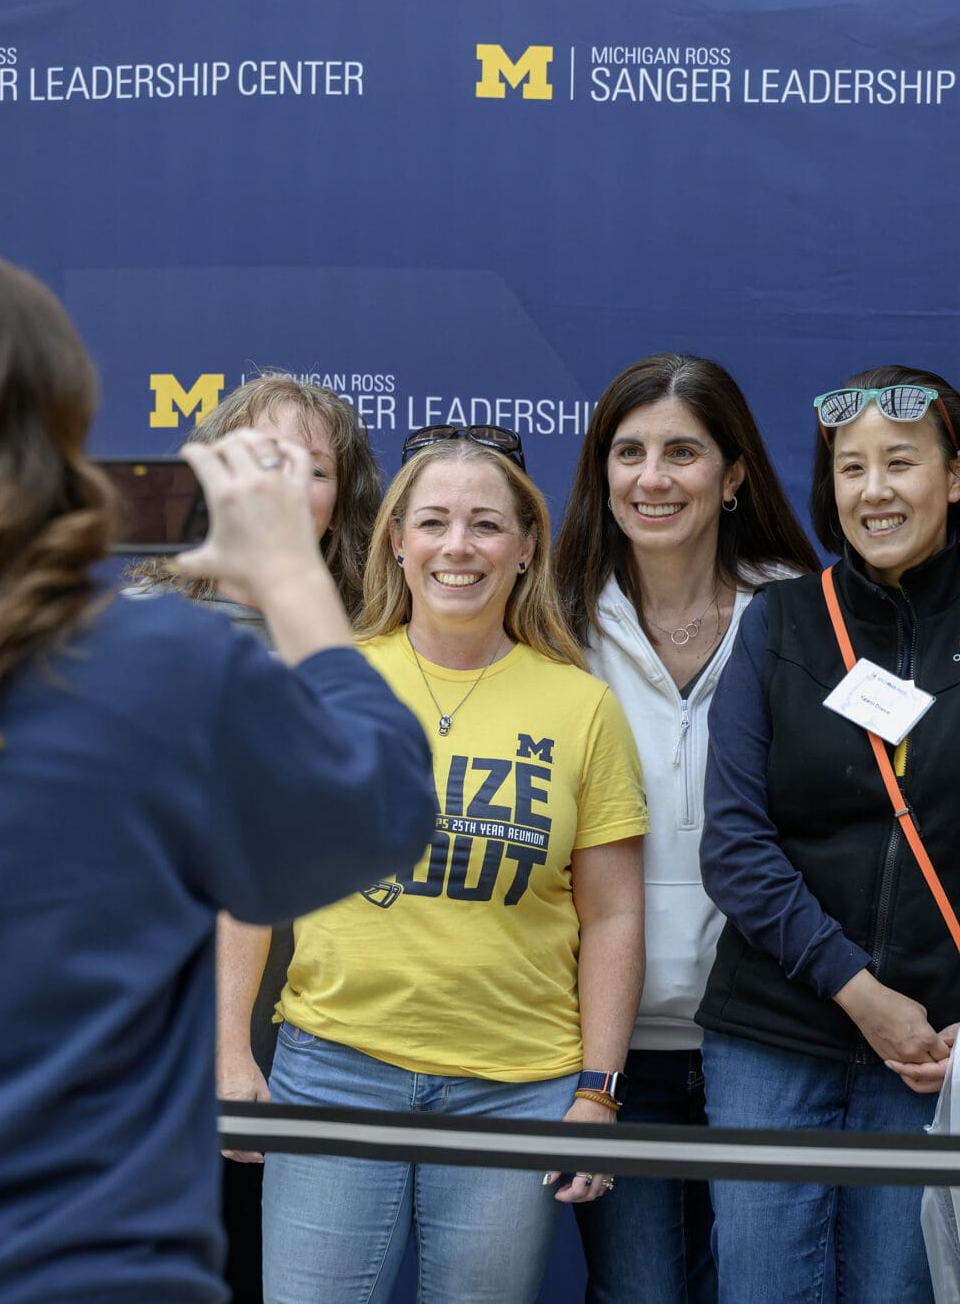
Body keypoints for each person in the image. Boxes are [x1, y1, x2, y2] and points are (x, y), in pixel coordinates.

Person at [0, 252, 435, 1302]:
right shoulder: (165, 667)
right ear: (65, 441)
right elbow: (384, 804)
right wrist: (286, 580)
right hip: (96, 1265)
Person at [698, 367, 960, 1302]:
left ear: (957, 475)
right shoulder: (782, 620)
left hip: (935, 1049)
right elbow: (736, 846)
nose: (873, 491)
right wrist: (856, 988)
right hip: (774, 1033)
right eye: (851, 468)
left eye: (900, 463)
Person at [255, 424, 649, 1304]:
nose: (457, 546)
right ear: (396, 541)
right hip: (335, 1070)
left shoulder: (581, 706)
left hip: (516, 1089)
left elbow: (615, 914)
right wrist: (226, 1057)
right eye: (432, 521)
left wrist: (599, 1091)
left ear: (525, 547)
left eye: (485, 524)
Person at [554, 354, 819, 1303]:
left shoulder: (803, 613)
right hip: (607, 1044)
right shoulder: (554, 617)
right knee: (638, 1293)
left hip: (769, 1031)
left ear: (734, 472)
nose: (652, 477)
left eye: (682, 452)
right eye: (628, 452)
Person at [135, 372, 385, 1299]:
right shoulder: (134, 635)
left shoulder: (367, 655)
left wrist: (244, 1054)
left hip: (309, 1055)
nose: (287, 485)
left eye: (314, 468)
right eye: (264, 457)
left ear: (342, 501)